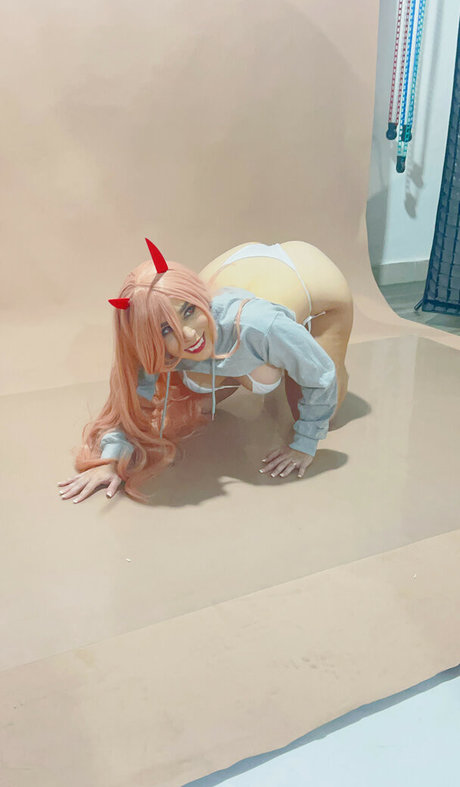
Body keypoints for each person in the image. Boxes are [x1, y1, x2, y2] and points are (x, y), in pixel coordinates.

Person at [58, 239, 353, 503]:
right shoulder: (157, 340)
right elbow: (132, 402)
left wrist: (305, 444)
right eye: (166, 330)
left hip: (309, 273)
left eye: (189, 311)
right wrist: (110, 462)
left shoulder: (261, 325)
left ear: (198, 299)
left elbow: (321, 375)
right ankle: (264, 355)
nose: (187, 334)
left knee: (314, 404)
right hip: (232, 268)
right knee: (198, 392)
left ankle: (288, 346)